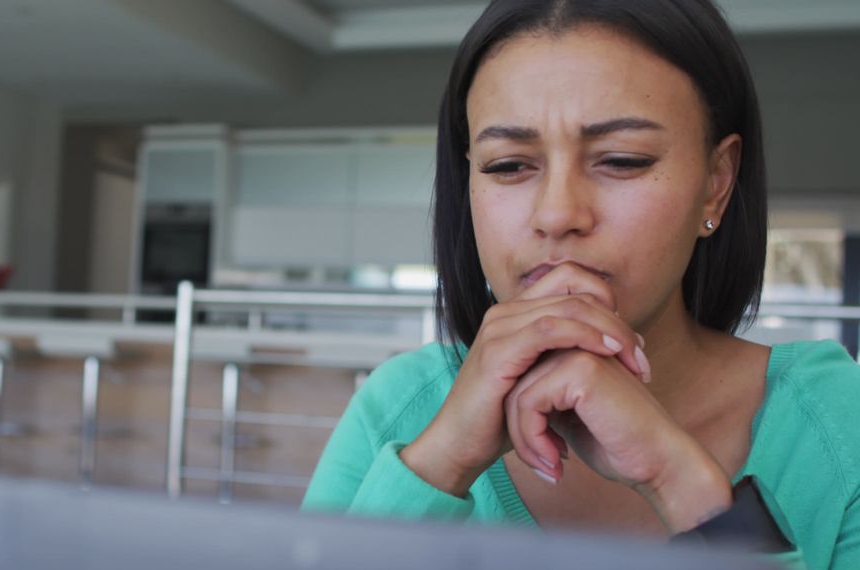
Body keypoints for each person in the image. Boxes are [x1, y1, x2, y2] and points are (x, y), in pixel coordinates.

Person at [301, 1, 860, 568]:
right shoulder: (399, 410)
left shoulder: (841, 424)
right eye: (508, 166)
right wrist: (440, 463)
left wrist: (678, 480)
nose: (558, 213)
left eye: (622, 159)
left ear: (716, 184)